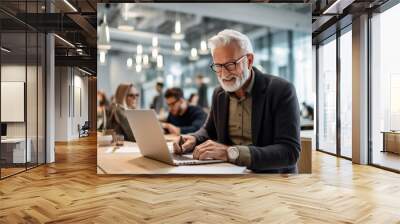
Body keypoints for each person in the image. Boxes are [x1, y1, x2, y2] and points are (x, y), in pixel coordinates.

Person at [174, 29, 300, 173]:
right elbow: (209, 130)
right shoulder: (219, 93)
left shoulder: (281, 90)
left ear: (249, 61)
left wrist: (230, 152)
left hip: (272, 179)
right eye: (218, 66)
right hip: (229, 173)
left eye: (230, 64)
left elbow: (289, 151)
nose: (224, 74)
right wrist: (194, 139)